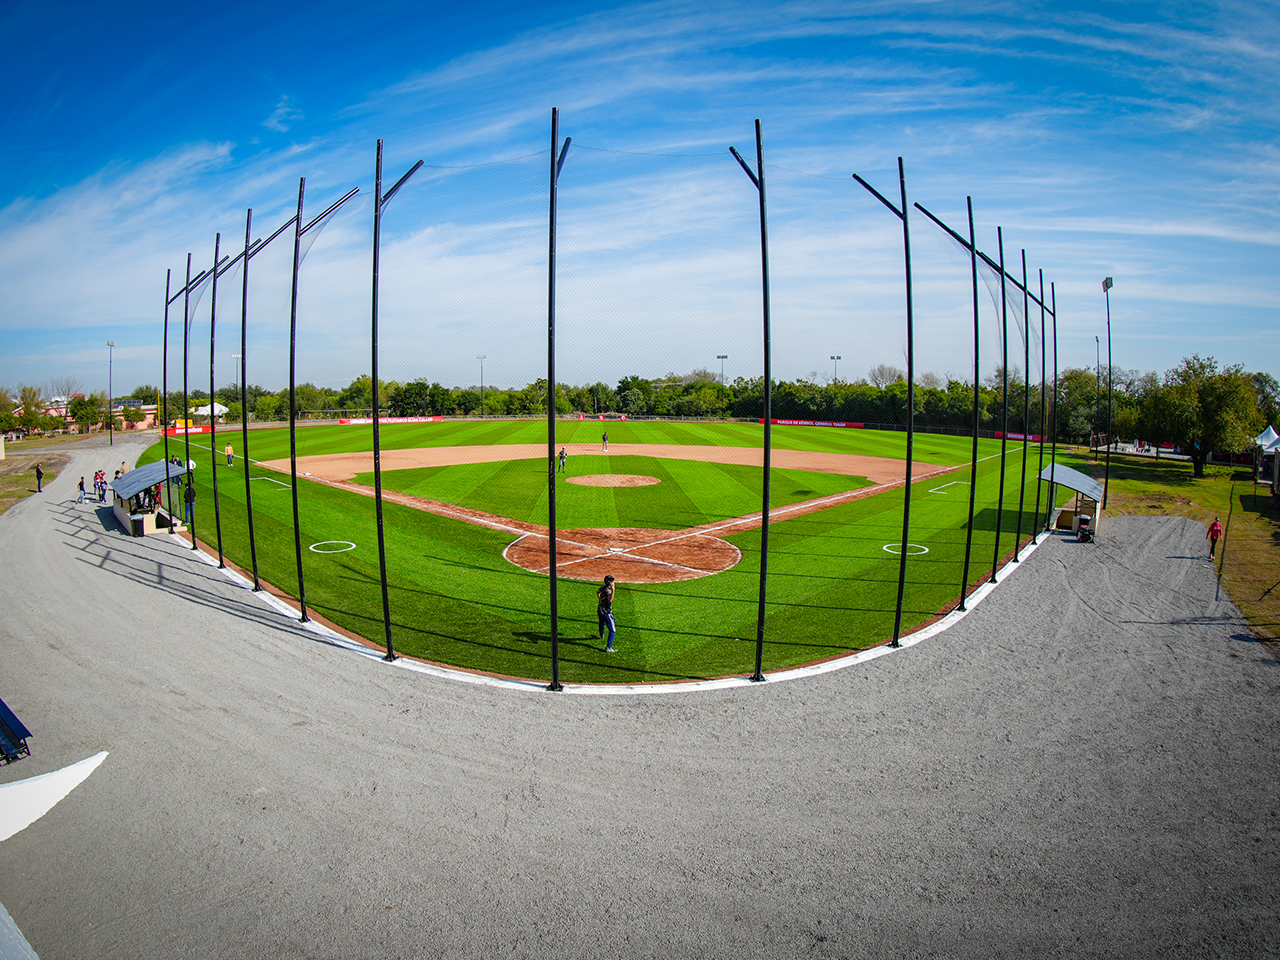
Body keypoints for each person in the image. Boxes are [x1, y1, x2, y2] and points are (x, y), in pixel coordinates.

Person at [597, 574, 617, 653]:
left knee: (601, 622)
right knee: (613, 630)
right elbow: (610, 600)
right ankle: (608, 647)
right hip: (607, 612)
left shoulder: (603, 587)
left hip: (600, 609)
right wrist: (613, 590)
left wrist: (601, 601)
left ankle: (601, 634)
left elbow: (598, 592)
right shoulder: (608, 591)